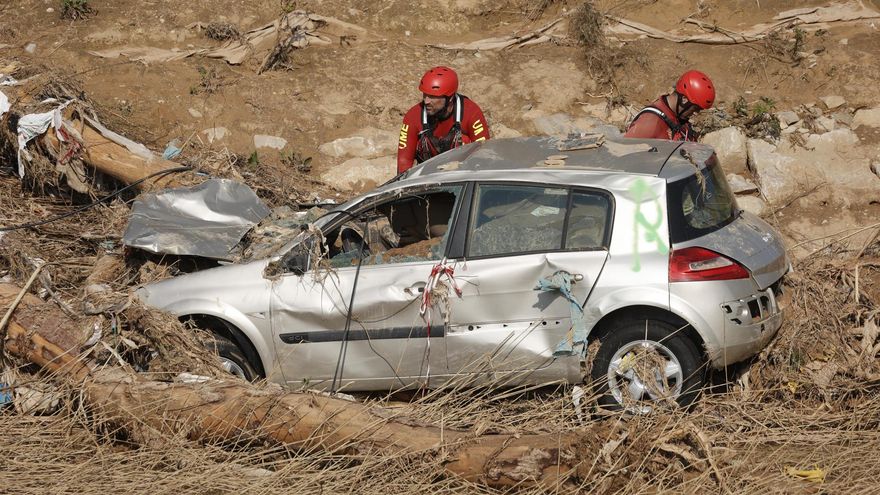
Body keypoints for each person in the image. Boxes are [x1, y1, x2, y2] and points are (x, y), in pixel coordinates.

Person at [397, 66, 490, 174]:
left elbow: (483, 156)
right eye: (425, 95)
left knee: (465, 141)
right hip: (427, 177)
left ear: (450, 98)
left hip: (463, 175)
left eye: (432, 96)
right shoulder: (413, 116)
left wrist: (462, 166)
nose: (426, 101)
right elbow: (404, 161)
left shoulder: (472, 112)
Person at [624, 70, 715, 142]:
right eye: (695, 108)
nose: (696, 113)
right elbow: (625, 156)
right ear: (684, 99)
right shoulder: (650, 123)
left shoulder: (678, 119)